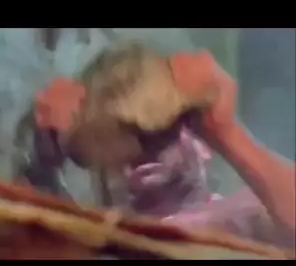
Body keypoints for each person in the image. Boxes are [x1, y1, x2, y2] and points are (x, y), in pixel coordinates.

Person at [22, 50, 295, 250]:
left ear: (202, 147)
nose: (145, 164)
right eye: (137, 142)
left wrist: (226, 133)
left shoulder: (242, 219)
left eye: (162, 138)